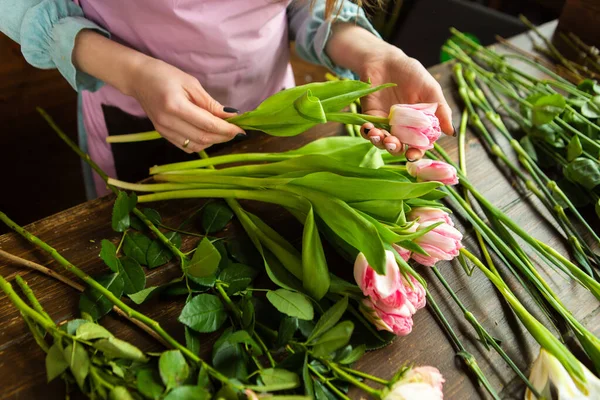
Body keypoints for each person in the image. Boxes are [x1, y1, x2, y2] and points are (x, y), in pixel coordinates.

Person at [0, 0, 453, 198]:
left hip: (272, 123)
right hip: (132, 118)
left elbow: (302, 6)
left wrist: (372, 53)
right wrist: (134, 72)